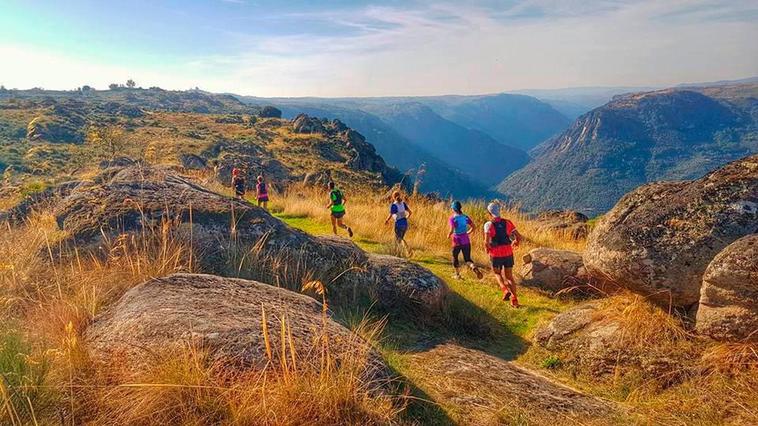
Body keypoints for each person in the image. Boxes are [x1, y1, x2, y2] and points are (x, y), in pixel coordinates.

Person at [483, 202, 522, 308]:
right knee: (509, 277)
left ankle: (505, 290)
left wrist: (487, 249)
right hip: (508, 253)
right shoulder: (508, 222)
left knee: (497, 273)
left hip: (496, 253)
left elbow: (486, 242)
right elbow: (519, 236)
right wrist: (515, 242)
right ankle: (515, 300)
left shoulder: (488, 225)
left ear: (489, 213)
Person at [447, 201, 483, 280]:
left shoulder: (452, 218)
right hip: (466, 240)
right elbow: (473, 227)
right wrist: (468, 233)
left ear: (453, 209)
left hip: (456, 241)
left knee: (455, 257)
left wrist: (448, 235)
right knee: (467, 259)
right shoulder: (465, 217)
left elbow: (452, 230)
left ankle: (457, 275)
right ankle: (473, 267)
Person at [384, 191, 413, 257]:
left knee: (397, 240)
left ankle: (401, 253)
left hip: (398, 224)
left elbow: (391, 214)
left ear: (393, 197)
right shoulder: (403, 204)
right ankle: (407, 251)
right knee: (401, 238)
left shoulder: (394, 205)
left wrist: (387, 220)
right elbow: (410, 212)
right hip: (405, 224)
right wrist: (406, 218)